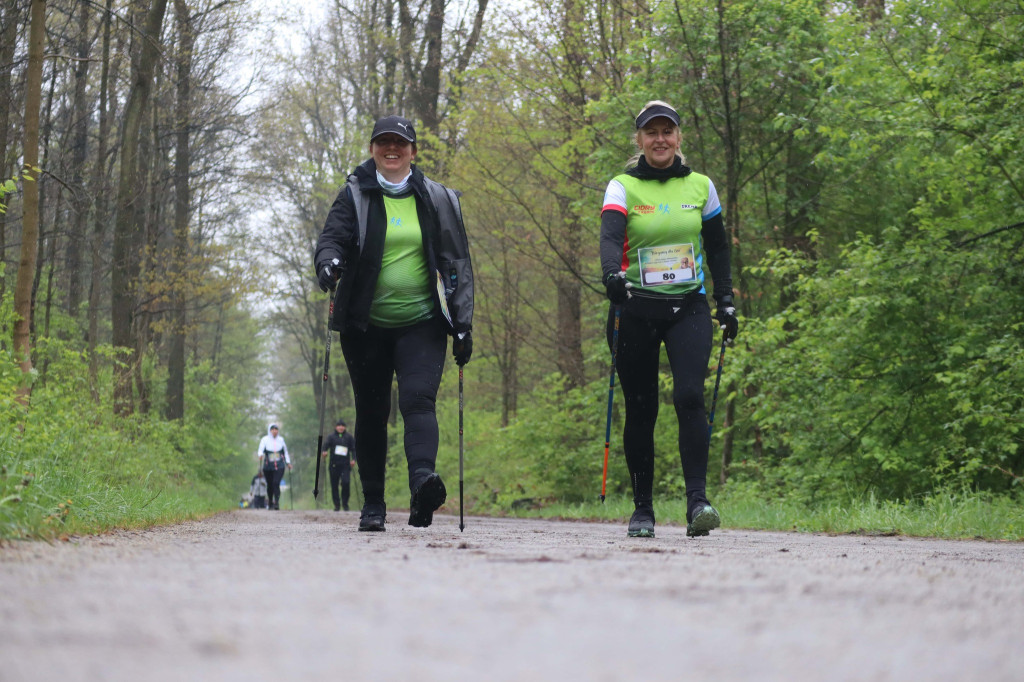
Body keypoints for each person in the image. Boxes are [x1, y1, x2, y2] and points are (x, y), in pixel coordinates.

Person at [314, 115, 474, 532]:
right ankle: (373, 504)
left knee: (419, 400)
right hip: (365, 326)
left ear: (412, 151)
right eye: (383, 142)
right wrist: (328, 263)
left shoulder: (436, 198)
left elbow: (456, 263)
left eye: (399, 144)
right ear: (372, 149)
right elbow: (332, 238)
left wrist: (462, 324)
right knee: (372, 410)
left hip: (422, 322)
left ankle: (423, 484)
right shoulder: (355, 194)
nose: (391, 149)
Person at [600, 100, 739, 538]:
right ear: (639, 140)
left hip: (688, 306)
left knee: (689, 397)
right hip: (634, 307)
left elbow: (717, 248)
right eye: (651, 132)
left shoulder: (701, 186)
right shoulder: (622, 186)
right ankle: (643, 510)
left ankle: (698, 502)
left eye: (668, 131)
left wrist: (726, 299)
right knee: (641, 409)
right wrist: (611, 276)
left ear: (679, 138)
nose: (660, 139)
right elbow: (610, 237)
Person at [321, 418, 357, 511]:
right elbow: (325, 446)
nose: (341, 428)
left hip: (345, 465)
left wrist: (353, 459)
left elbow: (353, 449)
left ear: (345, 427)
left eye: (342, 426)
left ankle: (345, 504)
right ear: (336, 427)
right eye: (339, 426)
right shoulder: (331, 437)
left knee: (346, 483)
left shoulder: (349, 437)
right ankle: (337, 505)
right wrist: (324, 452)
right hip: (334, 465)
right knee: (334, 485)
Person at [256, 424, 291, 510]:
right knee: (270, 484)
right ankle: (270, 501)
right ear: (270, 430)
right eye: (273, 429)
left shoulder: (281, 440)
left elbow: (285, 452)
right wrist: (260, 455)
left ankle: (276, 502)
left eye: (276, 429)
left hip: (280, 465)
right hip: (268, 466)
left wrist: (288, 462)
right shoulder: (265, 439)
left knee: (276, 483)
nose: (274, 431)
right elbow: (260, 449)